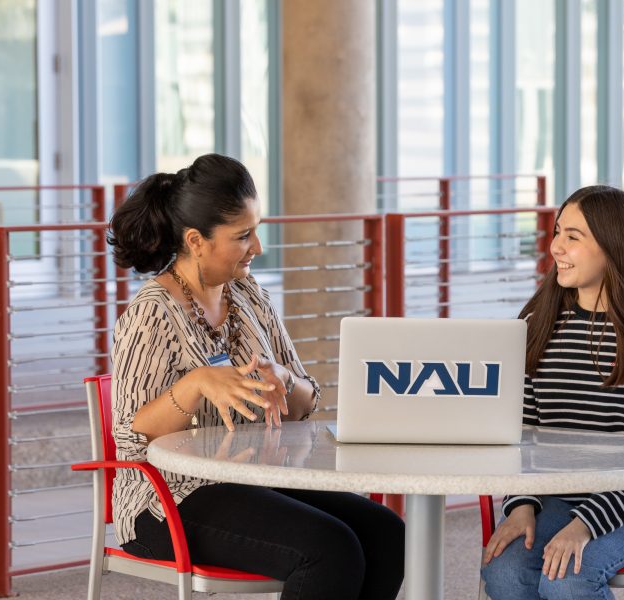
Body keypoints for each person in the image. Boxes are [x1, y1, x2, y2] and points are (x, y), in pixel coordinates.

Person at [106, 153, 404, 600]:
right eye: (243, 235)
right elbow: (131, 436)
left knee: (385, 531)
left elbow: (306, 402)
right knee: (328, 549)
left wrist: (283, 377)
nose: (257, 247)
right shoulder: (151, 314)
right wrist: (194, 385)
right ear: (196, 241)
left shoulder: (250, 296)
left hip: (248, 480)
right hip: (165, 500)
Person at [481, 185, 624, 600]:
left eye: (573, 237)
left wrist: (587, 525)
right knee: (505, 573)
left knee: (568, 578)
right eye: (557, 232)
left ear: (614, 245)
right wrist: (521, 505)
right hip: (558, 495)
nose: (555, 248)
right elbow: (523, 430)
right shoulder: (536, 321)